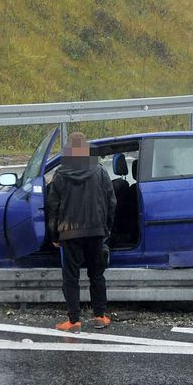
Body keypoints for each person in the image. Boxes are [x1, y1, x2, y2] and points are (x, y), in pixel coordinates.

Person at [45, 132, 116, 333]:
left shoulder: (60, 175)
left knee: (71, 277)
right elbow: (112, 202)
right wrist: (106, 228)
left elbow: (53, 208)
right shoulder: (100, 172)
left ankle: (74, 320)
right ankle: (100, 316)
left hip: (69, 233)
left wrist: (54, 236)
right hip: (95, 231)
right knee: (97, 274)